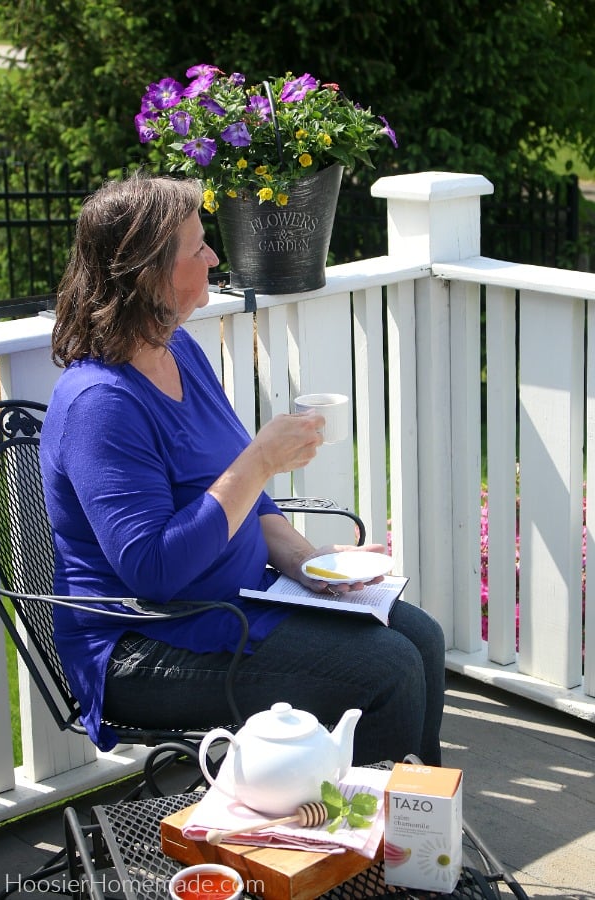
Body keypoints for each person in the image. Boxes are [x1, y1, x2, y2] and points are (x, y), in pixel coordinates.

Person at [40, 171, 445, 765]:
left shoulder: (178, 349)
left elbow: (247, 507)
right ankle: (358, 848)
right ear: (149, 271)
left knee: (421, 637)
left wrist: (313, 568)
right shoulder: (101, 405)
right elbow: (153, 570)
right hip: (146, 640)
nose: (212, 256)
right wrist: (258, 460)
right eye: (196, 246)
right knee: (387, 669)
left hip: (235, 602)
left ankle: (419, 830)